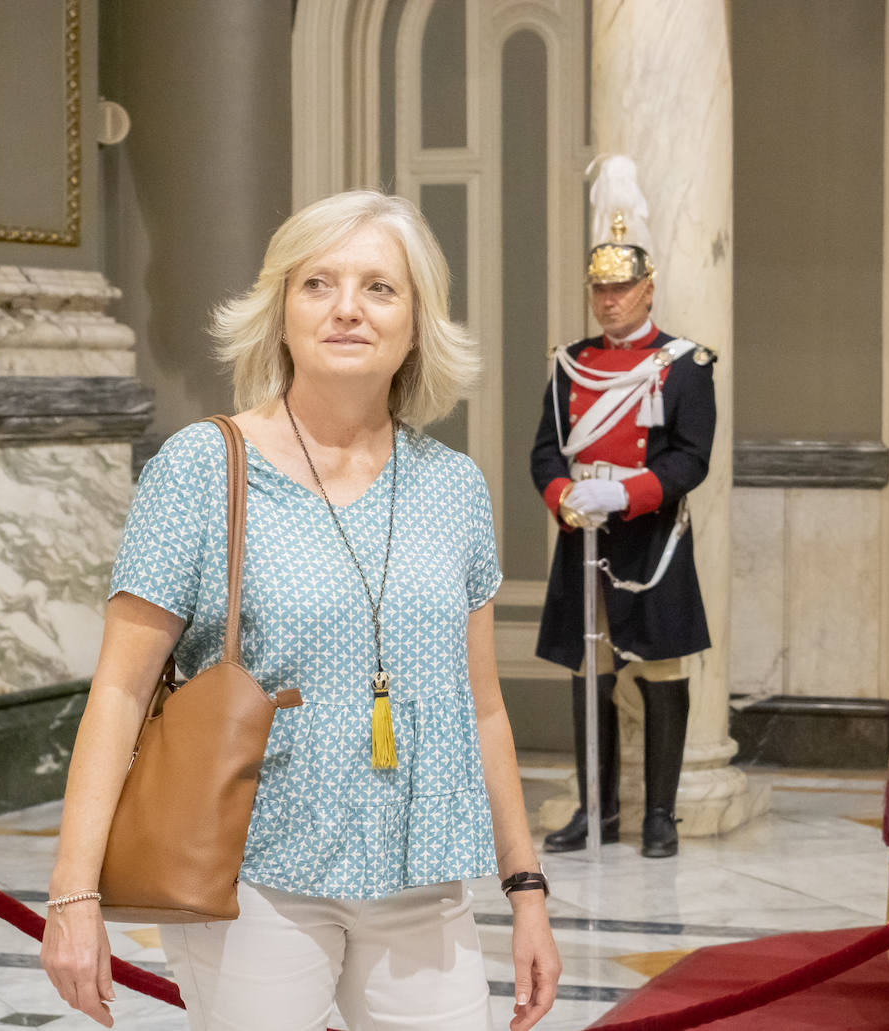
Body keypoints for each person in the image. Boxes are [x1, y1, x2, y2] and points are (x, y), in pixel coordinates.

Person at [40, 190, 560, 1031]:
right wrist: (74, 893)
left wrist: (525, 887)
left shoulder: (452, 486)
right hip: (254, 878)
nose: (347, 308)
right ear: (280, 310)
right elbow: (121, 691)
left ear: (417, 319)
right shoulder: (203, 467)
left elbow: (484, 707)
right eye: (318, 283)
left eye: (379, 288)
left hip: (423, 878)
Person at [530, 156, 716, 859]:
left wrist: (626, 492)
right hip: (584, 533)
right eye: (600, 288)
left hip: (652, 535)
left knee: (661, 669)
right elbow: (545, 451)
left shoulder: (685, 364)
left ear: (648, 287)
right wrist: (567, 497)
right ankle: (596, 808)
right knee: (592, 670)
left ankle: (659, 813)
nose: (609, 301)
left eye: (622, 287)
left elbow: (690, 459)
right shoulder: (568, 361)